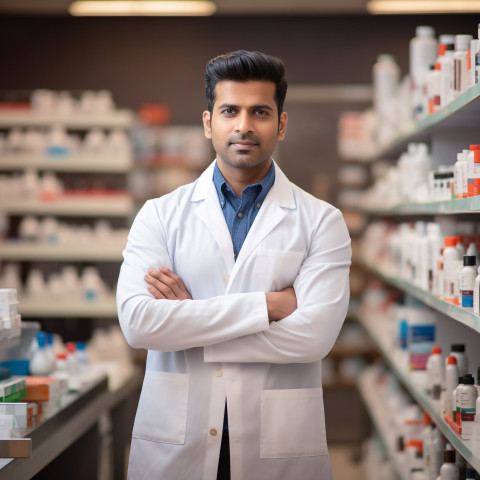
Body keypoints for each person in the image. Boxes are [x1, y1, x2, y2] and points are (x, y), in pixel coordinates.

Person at [116, 50, 351, 480]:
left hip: (277, 445)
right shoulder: (160, 215)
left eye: (260, 111)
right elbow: (138, 324)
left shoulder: (321, 221)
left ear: (280, 124)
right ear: (209, 123)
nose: (244, 125)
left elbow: (314, 337)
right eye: (230, 111)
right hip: (177, 443)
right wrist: (269, 305)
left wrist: (186, 324)